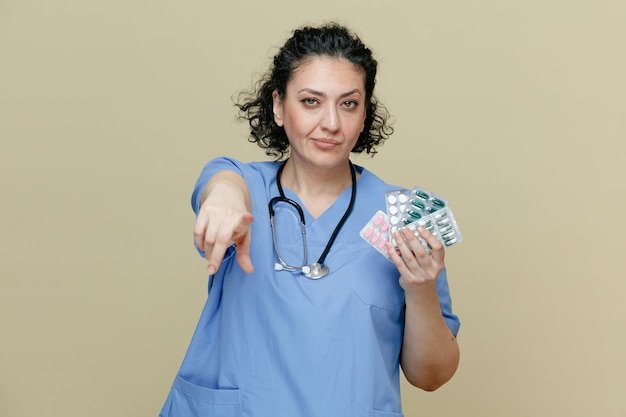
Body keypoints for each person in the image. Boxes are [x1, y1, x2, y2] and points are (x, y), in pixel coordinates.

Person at [160, 23, 460, 417]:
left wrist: (420, 287)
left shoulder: (401, 217)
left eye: (348, 104)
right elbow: (219, 180)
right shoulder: (246, 188)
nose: (331, 123)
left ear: (365, 111)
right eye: (311, 101)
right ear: (279, 106)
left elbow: (431, 376)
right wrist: (223, 197)